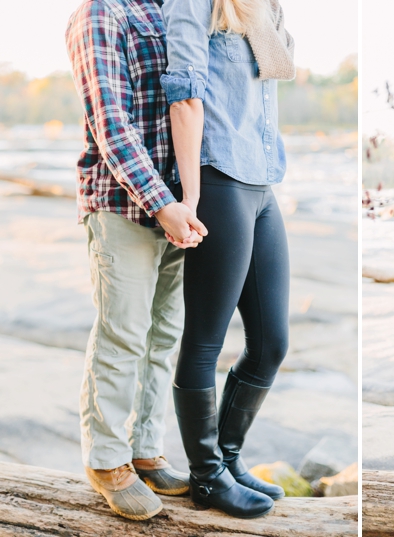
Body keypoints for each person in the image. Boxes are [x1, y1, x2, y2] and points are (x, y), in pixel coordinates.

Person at [65, 0, 207, 521]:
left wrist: (186, 202)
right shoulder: (100, 13)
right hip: (123, 204)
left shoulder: (168, 10)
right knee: (122, 332)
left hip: (177, 205)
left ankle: (146, 449)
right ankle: (106, 460)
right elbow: (111, 124)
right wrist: (162, 202)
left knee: (164, 334)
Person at [160, 0, 295, 519]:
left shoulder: (263, 10)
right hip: (217, 178)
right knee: (205, 340)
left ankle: (229, 458)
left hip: (261, 181)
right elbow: (185, 99)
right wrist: (190, 199)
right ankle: (206, 478)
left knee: (271, 343)